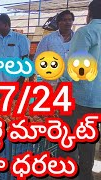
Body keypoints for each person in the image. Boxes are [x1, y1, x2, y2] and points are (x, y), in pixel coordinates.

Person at [58, 0, 101, 179]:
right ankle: (85, 173)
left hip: (82, 96)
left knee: (69, 134)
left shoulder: (86, 32)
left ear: (89, 13)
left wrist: (62, 82)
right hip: (97, 97)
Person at [34, 10, 75, 88]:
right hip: (52, 83)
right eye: (64, 20)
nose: (68, 22)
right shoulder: (48, 39)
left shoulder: (78, 38)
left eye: (70, 20)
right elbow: (37, 59)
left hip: (73, 83)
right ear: (58, 23)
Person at [0, 13, 31, 87]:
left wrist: (20, 83)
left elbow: (25, 60)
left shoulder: (20, 39)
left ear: (6, 25)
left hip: (13, 82)